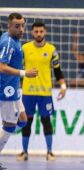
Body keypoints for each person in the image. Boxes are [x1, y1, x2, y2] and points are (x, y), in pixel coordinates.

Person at [16, 21, 67, 161]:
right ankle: (24, 152)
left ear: (45, 32)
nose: (39, 34)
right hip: (28, 92)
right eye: (36, 31)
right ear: (32, 33)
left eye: (41, 31)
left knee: (46, 121)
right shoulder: (24, 48)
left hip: (45, 93)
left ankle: (49, 152)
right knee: (26, 122)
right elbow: (17, 69)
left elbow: (57, 71)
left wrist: (63, 86)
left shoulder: (51, 50)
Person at [0, 13, 38, 169]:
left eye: (23, 25)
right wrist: (24, 73)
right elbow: (1, 67)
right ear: (9, 25)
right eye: (17, 26)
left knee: (22, 121)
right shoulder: (8, 42)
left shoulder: (14, 39)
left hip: (14, 89)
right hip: (6, 90)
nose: (21, 29)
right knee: (9, 125)